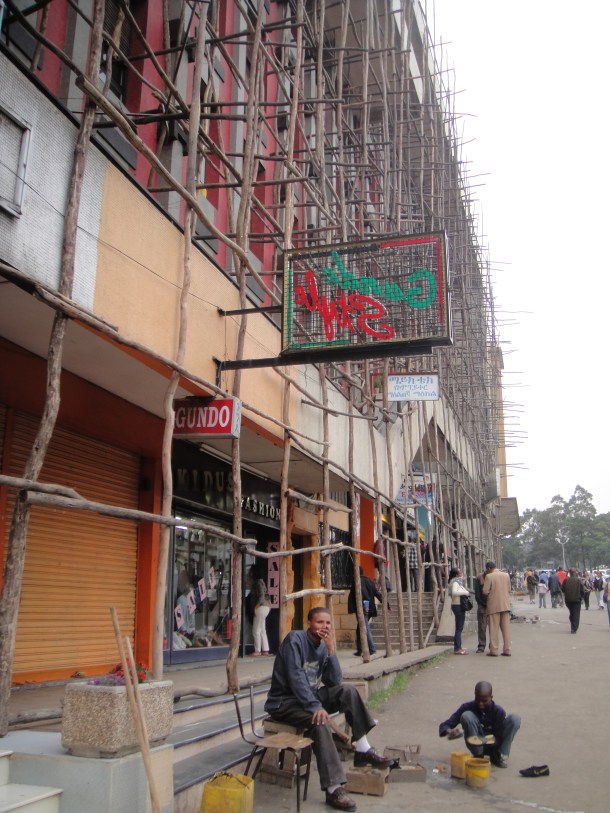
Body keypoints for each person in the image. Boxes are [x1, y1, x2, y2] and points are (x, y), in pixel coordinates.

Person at [265, 607, 392, 812]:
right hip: (285, 703)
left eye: (328, 623)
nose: (324, 627)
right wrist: (315, 706)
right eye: (319, 622)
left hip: (309, 699)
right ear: (309, 624)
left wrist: (332, 651)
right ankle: (334, 788)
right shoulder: (294, 641)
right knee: (319, 720)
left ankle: (363, 748)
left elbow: (334, 681)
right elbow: (295, 677)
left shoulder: (323, 647)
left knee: (348, 691)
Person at [439, 680, 521, 768]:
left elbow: (499, 737)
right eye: (477, 700)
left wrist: (486, 740)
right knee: (466, 715)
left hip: (493, 744)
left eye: (484, 701)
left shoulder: (498, 711)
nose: (480, 704)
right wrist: (449, 731)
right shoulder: (467, 707)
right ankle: (478, 755)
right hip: (476, 745)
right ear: (474, 695)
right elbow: (444, 725)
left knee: (515, 719)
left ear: (491, 697)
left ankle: (497, 755)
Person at [348, 567, 382, 657]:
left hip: (363, 608)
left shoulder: (358, 582)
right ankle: (359, 650)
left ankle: (372, 649)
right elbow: (377, 593)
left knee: (365, 628)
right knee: (360, 629)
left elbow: (362, 595)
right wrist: (386, 604)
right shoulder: (369, 581)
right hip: (369, 608)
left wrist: (364, 607)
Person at [483, 561, 512, 656]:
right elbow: (509, 589)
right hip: (505, 605)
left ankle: (494, 650)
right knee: (506, 630)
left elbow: (485, 591)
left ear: (488, 568)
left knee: (493, 629)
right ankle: (507, 649)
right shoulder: (506, 575)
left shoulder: (489, 577)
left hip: (493, 605)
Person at [448, 567, 470, 655]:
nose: (461, 572)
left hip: (456, 605)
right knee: (459, 628)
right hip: (458, 605)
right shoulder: (455, 582)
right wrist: (465, 593)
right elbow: (454, 592)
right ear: (457, 574)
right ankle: (457, 648)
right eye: (460, 571)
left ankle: (458, 647)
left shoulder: (455, 581)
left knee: (459, 628)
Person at [249, 574, 271, 656]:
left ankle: (257, 650)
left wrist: (256, 607)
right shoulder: (262, 582)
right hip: (267, 607)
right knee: (262, 629)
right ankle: (265, 649)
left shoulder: (258, 583)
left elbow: (261, 597)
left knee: (256, 630)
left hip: (261, 607)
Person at [562, 568, 585, 633]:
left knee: (572, 613)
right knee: (576, 614)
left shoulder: (566, 580)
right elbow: (582, 590)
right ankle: (574, 628)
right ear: (574, 572)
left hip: (568, 600)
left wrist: (567, 593)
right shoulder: (578, 580)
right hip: (577, 600)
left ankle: (573, 625)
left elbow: (562, 589)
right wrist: (582, 597)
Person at [473, 567, 489, 653]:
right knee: (482, 627)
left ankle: (492, 646)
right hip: (482, 606)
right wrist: (482, 603)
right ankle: (481, 646)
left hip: (492, 605)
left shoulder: (493, 577)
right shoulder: (480, 578)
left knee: (493, 628)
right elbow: (477, 594)